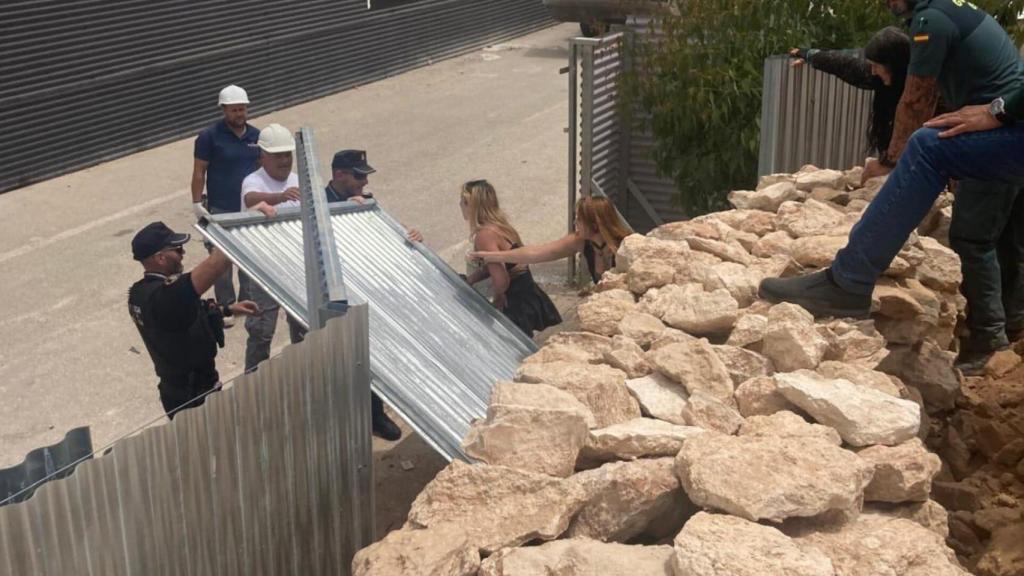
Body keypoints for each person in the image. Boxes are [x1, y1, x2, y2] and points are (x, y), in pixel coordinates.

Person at [760, 0, 1024, 372]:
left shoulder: (932, 20)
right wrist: (812, 54)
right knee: (1008, 234)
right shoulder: (955, 10)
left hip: (1008, 126)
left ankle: (849, 281)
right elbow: (862, 72)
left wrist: (890, 160)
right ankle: (1011, 327)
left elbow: (918, 101)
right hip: (1010, 124)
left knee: (929, 150)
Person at [128, 222, 260, 419]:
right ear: (161, 258)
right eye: (177, 249)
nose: (183, 254)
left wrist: (228, 309)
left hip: (184, 389)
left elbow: (186, 316)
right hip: (192, 396)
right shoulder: (163, 298)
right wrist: (241, 228)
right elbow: (213, 267)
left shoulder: (140, 293)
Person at [238, 123, 307, 372]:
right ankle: (253, 383)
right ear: (262, 156)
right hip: (262, 268)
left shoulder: (299, 182)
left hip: (295, 265)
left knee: (302, 327)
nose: (284, 160)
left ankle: (302, 375)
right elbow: (250, 199)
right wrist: (280, 197)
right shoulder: (253, 181)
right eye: (278, 155)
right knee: (261, 332)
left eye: (287, 154)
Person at [190, 85, 260, 313]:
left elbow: (261, 170)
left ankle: (247, 301)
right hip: (220, 208)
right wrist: (197, 202)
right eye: (234, 110)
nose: (239, 114)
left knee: (249, 258)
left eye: (242, 109)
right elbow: (199, 171)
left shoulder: (256, 136)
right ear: (224, 110)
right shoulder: (208, 137)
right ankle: (226, 305)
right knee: (221, 262)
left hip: (248, 208)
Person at [790, 26, 912, 157]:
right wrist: (807, 54)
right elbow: (841, 64)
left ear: (894, 64)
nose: (873, 71)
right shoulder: (879, 77)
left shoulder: (921, 90)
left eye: (876, 66)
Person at [460, 180, 562, 336]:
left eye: (464, 201)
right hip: (528, 292)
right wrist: (473, 278)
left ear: (473, 206)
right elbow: (502, 264)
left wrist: (497, 298)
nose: (460, 205)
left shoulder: (484, 235)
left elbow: (501, 278)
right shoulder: (501, 226)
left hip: (514, 302)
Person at [472, 195, 631, 285]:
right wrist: (492, 256)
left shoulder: (627, 245)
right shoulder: (580, 241)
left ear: (595, 225)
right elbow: (537, 253)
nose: (575, 223)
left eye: (579, 220)